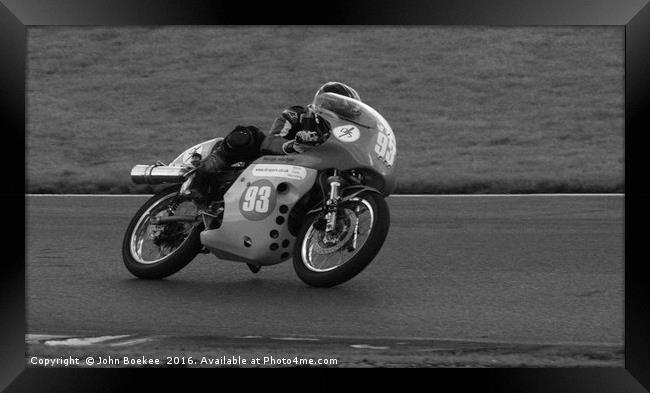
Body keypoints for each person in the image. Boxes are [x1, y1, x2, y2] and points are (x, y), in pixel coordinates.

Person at [187, 82, 361, 206]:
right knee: (247, 135)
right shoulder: (299, 114)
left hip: (305, 177)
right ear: (326, 104)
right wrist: (294, 146)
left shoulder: (341, 133)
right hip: (271, 164)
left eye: (347, 113)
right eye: (340, 110)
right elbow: (271, 141)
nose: (342, 116)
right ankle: (200, 177)